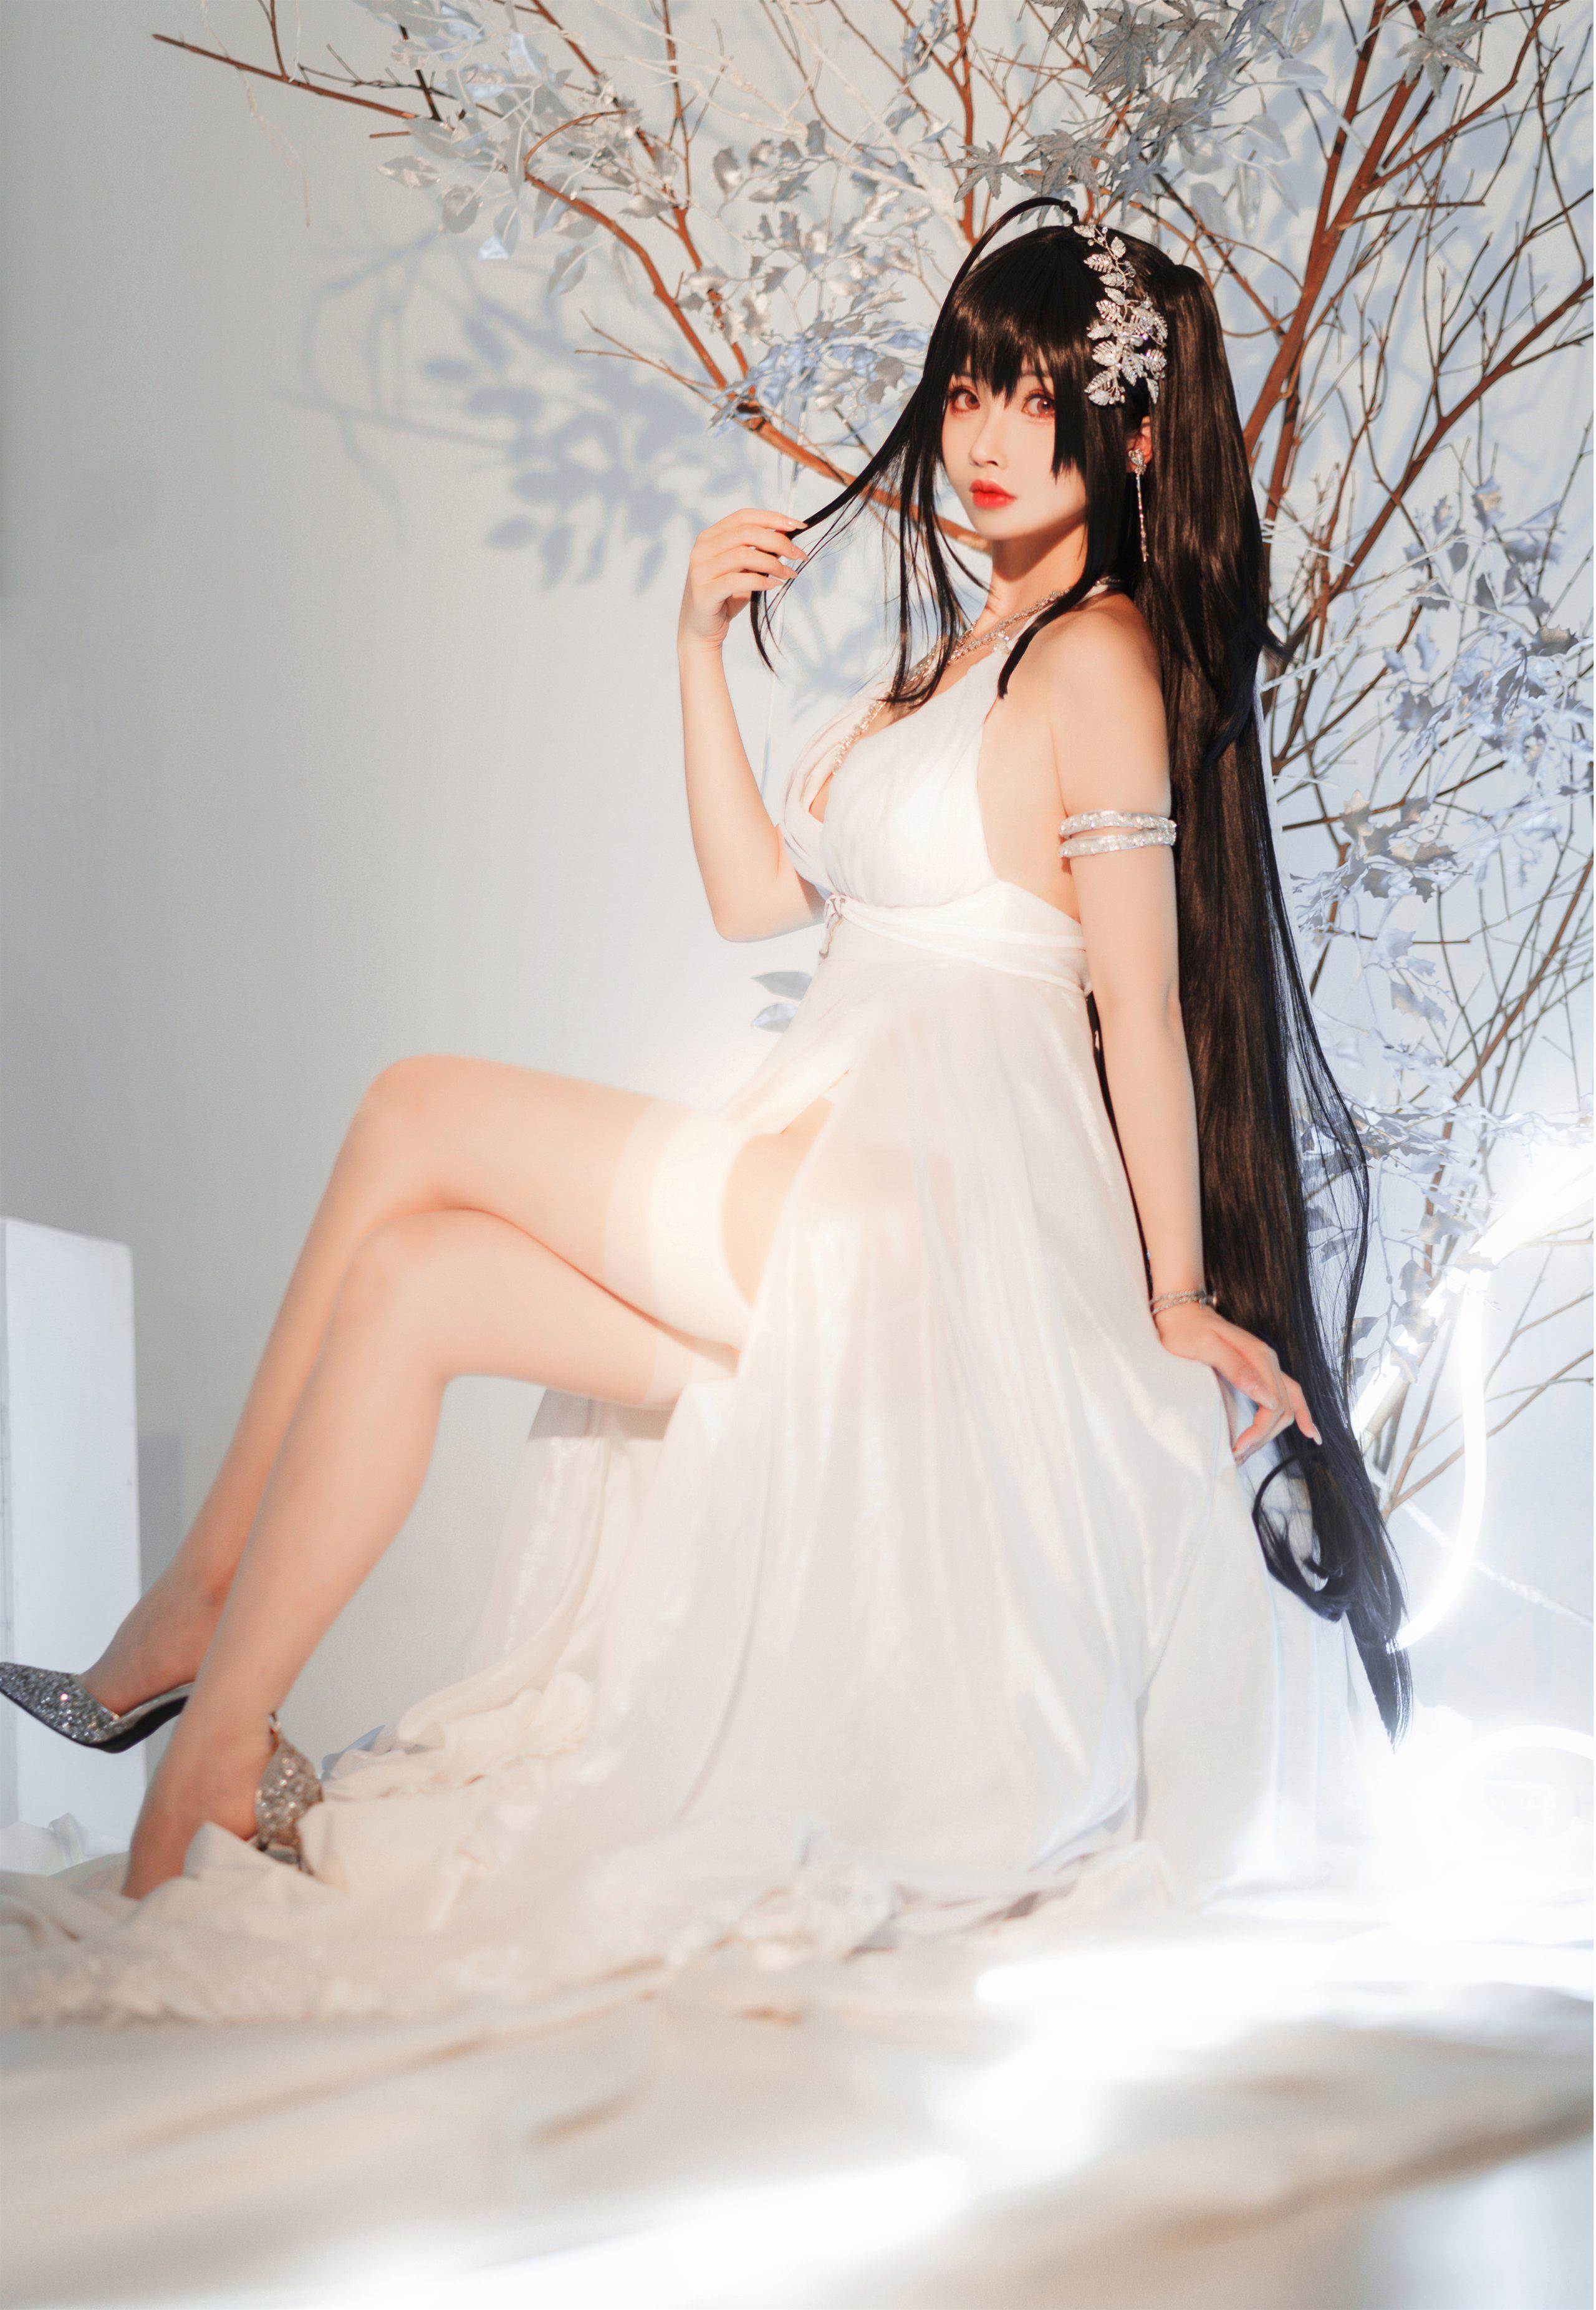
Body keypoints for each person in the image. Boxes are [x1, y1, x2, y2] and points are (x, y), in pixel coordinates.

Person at [0, 198, 1408, 2026]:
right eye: (965, 388)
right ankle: (205, 1759)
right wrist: (690, 645)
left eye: (1032, 396)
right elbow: (756, 899)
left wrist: (1175, 1294)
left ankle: (191, 1605)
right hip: (814, 1187)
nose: (982, 435)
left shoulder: (1097, 661)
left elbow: (1138, 1004)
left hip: (905, 1223)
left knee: (414, 1108)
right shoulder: (959, 657)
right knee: (418, 1283)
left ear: (1131, 437)